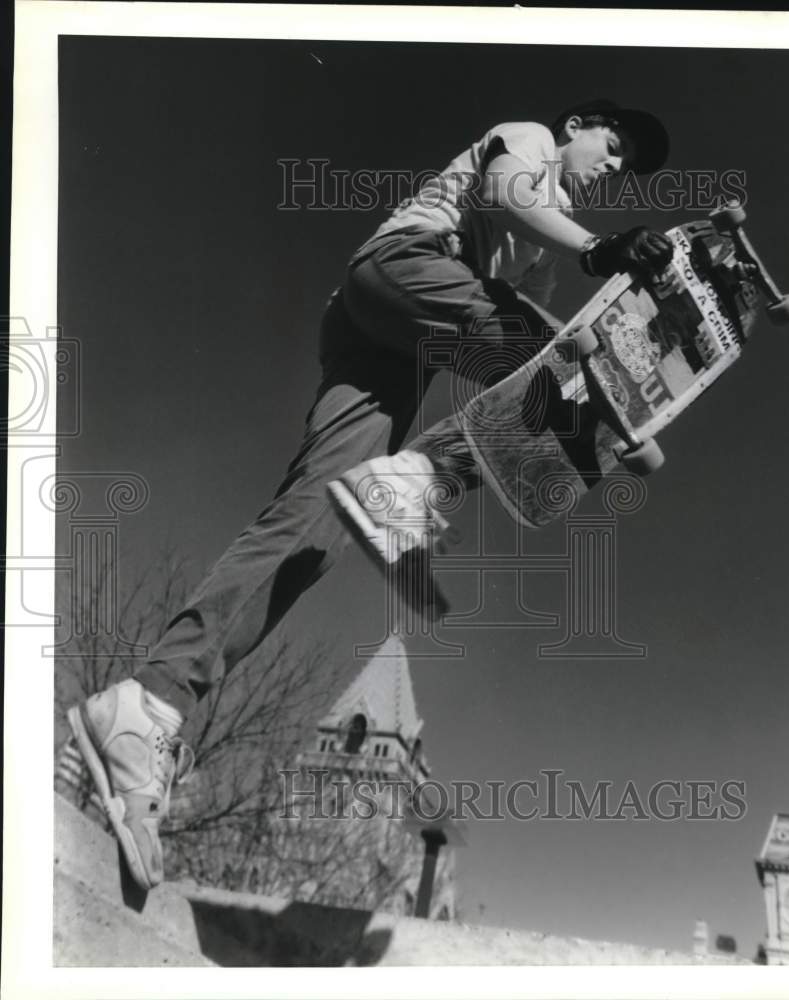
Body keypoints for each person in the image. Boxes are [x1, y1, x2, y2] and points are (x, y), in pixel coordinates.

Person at [67, 98, 675, 890]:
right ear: (577, 126)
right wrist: (603, 261)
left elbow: (522, 340)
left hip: (384, 343)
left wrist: (615, 402)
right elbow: (506, 197)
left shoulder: (544, 256)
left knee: (312, 526)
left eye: (625, 166)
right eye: (613, 144)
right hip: (403, 269)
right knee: (578, 381)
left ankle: (147, 705)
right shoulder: (527, 139)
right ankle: (419, 475)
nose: (612, 165)